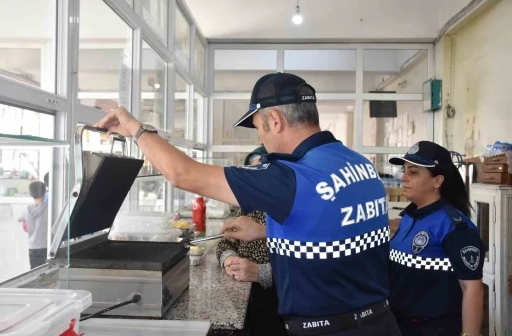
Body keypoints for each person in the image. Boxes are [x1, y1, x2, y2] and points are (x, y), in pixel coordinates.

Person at [95, 72, 401, 336]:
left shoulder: (291, 175)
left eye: (258, 127)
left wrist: (136, 128)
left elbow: (182, 174)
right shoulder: (358, 165)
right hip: (381, 322)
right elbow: (334, 228)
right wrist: (265, 230)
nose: (261, 138)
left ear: (275, 121)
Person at [387, 141, 485, 336]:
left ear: (437, 181)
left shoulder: (454, 227)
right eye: (404, 170)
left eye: (413, 172)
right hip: (399, 325)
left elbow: (472, 288)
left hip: (434, 328)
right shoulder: (409, 216)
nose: (403, 178)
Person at [216, 146, 287, 336]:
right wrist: (229, 259)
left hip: (279, 301)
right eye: (252, 175)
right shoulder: (249, 207)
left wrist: (261, 272)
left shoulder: (288, 210)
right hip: (247, 294)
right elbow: (226, 242)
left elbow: (305, 266)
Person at [17, 181, 48, 269]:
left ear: (31, 193)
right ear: (44, 192)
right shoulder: (48, 208)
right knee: (45, 271)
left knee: (34, 271)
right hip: (45, 246)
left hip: (32, 246)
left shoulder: (27, 209)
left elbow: (18, 219)